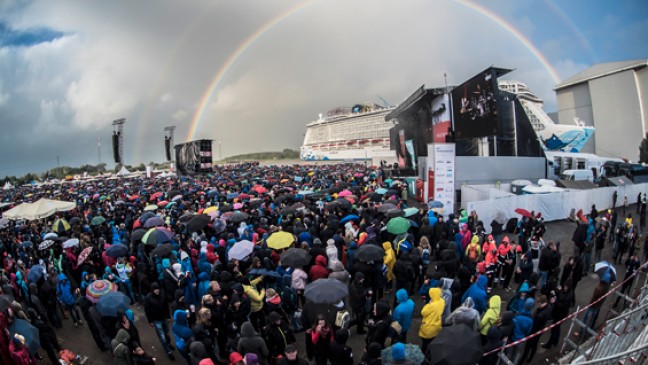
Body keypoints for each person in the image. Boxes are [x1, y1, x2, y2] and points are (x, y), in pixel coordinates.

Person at [144, 282, 175, 360]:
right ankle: (168, 351)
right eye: (155, 290)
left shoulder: (162, 294)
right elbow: (147, 310)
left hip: (164, 318)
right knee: (162, 336)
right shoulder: (148, 298)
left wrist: (168, 316)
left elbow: (166, 306)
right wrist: (150, 321)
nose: (157, 291)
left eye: (158, 289)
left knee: (167, 333)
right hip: (157, 320)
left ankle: (168, 344)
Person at [521, 295, 553, 362]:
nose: (538, 305)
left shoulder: (540, 315)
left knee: (527, 347)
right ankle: (530, 358)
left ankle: (522, 361)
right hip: (540, 330)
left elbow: (533, 323)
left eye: (539, 303)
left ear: (543, 303)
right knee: (534, 345)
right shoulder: (548, 308)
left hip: (534, 331)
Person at [507, 298, 534, 364]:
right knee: (515, 355)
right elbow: (528, 332)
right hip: (520, 340)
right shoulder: (530, 320)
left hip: (512, 338)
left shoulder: (517, 315)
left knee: (507, 353)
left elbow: (512, 326)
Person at [419, 287, 444, 354]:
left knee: (425, 343)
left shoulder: (431, 305)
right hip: (437, 326)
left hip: (429, 327)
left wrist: (429, 303)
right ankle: (429, 354)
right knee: (432, 342)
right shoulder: (442, 301)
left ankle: (423, 354)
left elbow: (423, 312)